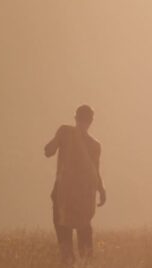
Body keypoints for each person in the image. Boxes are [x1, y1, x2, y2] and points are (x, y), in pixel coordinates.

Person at [43, 105, 106, 264]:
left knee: (63, 231)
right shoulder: (95, 145)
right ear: (91, 121)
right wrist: (101, 190)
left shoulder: (65, 132)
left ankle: (68, 261)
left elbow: (48, 151)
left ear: (75, 118)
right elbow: (95, 172)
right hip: (83, 195)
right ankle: (86, 261)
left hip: (62, 193)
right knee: (84, 228)